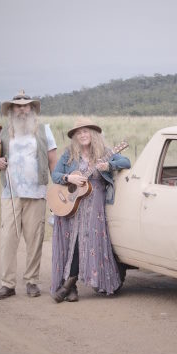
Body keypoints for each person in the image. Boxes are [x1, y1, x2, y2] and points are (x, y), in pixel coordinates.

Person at [0, 90, 57, 300]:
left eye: (27, 106)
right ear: (12, 110)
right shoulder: (1, 133)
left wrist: (56, 187)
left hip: (37, 193)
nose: (23, 109)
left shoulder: (44, 130)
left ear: (32, 109)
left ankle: (32, 281)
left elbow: (53, 160)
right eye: (18, 106)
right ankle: (7, 284)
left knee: (35, 239)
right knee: (8, 239)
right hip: (11, 194)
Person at [50, 117, 130, 302]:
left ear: (93, 134)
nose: (82, 135)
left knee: (86, 242)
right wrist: (69, 178)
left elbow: (126, 161)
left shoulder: (105, 152)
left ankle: (67, 286)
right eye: (79, 133)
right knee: (72, 243)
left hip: (95, 205)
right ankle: (71, 288)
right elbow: (55, 175)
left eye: (86, 131)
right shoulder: (69, 154)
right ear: (75, 137)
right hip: (73, 205)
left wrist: (109, 165)